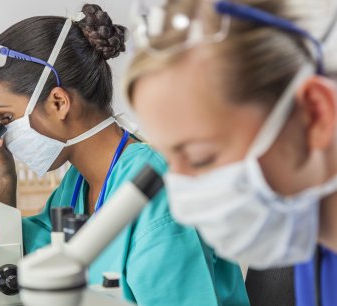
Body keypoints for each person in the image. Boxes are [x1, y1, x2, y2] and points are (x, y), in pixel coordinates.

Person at [0, 4, 249, 306]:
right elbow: (11, 272)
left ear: (59, 103)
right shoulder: (77, 184)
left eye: (7, 119)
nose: (2, 135)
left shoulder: (156, 191)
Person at [126, 0, 337, 305]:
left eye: (200, 158)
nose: (182, 202)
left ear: (314, 114)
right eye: (171, 160)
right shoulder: (310, 245)